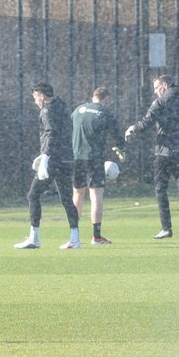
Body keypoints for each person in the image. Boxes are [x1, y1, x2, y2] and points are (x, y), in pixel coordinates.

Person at [124, 74, 179, 241]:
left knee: (160, 189)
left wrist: (132, 128)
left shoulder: (161, 102)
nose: (155, 92)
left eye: (156, 88)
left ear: (165, 86)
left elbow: (147, 122)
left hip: (165, 152)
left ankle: (166, 228)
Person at [15, 82, 81, 248]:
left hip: (54, 159)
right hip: (67, 158)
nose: (35, 101)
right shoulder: (62, 107)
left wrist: (45, 155)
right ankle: (75, 238)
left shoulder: (46, 110)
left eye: (35, 97)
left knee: (33, 195)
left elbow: (51, 132)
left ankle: (34, 238)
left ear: (42, 96)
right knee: (66, 198)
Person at [71, 87, 125, 245]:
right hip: (94, 158)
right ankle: (96, 236)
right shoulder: (104, 113)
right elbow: (116, 135)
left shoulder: (78, 110)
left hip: (76, 157)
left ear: (93, 96)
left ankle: (74, 234)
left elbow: (68, 129)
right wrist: (121, 148)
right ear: (106, 99)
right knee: (96, 196)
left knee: (77, 194)